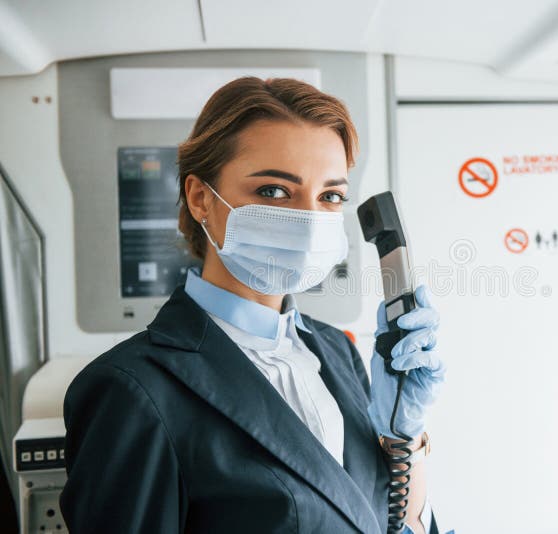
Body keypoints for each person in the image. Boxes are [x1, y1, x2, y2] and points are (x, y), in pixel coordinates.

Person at [59, 77, 446, 534]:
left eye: (331, 196)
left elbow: (387, 522)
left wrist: (403, 436)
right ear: (201, 198)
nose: (308, 219)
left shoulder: (335, 351)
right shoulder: (130, 389)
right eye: (275, 192)